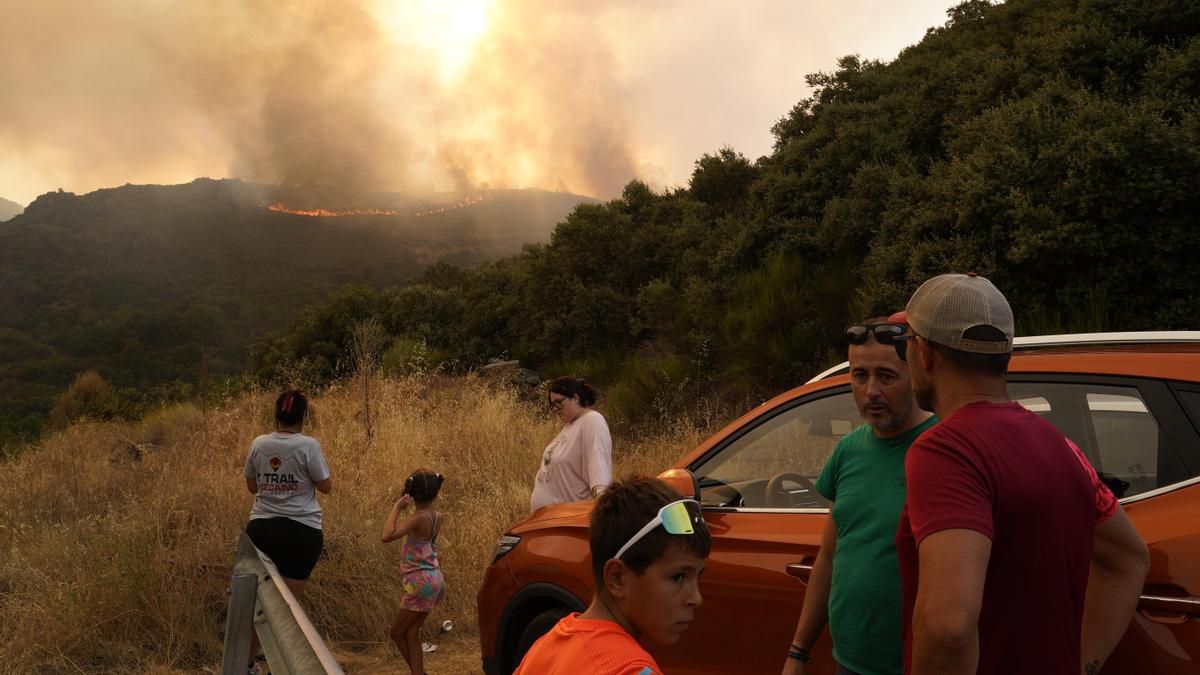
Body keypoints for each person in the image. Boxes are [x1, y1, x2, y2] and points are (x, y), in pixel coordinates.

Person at [893, 273, 1149, 675]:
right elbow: (1129, 559)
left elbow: (948, 628)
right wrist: (1082, 664)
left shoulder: (946, 450)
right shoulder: (1062, 446)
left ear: (923, 353)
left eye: (905, 343)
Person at [782, 317, 936, 675]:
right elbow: (829, 557)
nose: (871, 391)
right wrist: (798, 651)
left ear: (915, 374)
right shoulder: (848, 450)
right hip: (849, 662)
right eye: (860, 376)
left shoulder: (942, 449)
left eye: (886, 376)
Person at [514, 476, 711, 675]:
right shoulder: (631, 669)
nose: (696, 598)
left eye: (698, 577)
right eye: (678, 577)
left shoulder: (542, 649)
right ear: (617, 578)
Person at [242, 389, 332, 675]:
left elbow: (252, 487)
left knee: (259, 606)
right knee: (288, 609)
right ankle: (285, 668)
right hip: (301, 534)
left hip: (261, 531)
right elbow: (326, 486)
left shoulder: (259, 443)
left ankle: (247, 665)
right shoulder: (309, 445)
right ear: (303, 416)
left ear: (277, 415)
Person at [380, 468, 447, 675]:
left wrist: (397, 507)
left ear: (411, 492)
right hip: (434, 579)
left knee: (396, 633)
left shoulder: (417, 518)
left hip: (419, 584)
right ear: (435, 492)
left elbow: (386, 535)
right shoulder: (437, 516)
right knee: (411, 632)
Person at [530, 376, 613, 512]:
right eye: (552, 404)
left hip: (570, 517)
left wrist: (602, 507)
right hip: (550, 518)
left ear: (575, 398)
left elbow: (598, 468)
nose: (555, 408)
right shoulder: (570, 426)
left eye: (558, 402)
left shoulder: (592, 421)